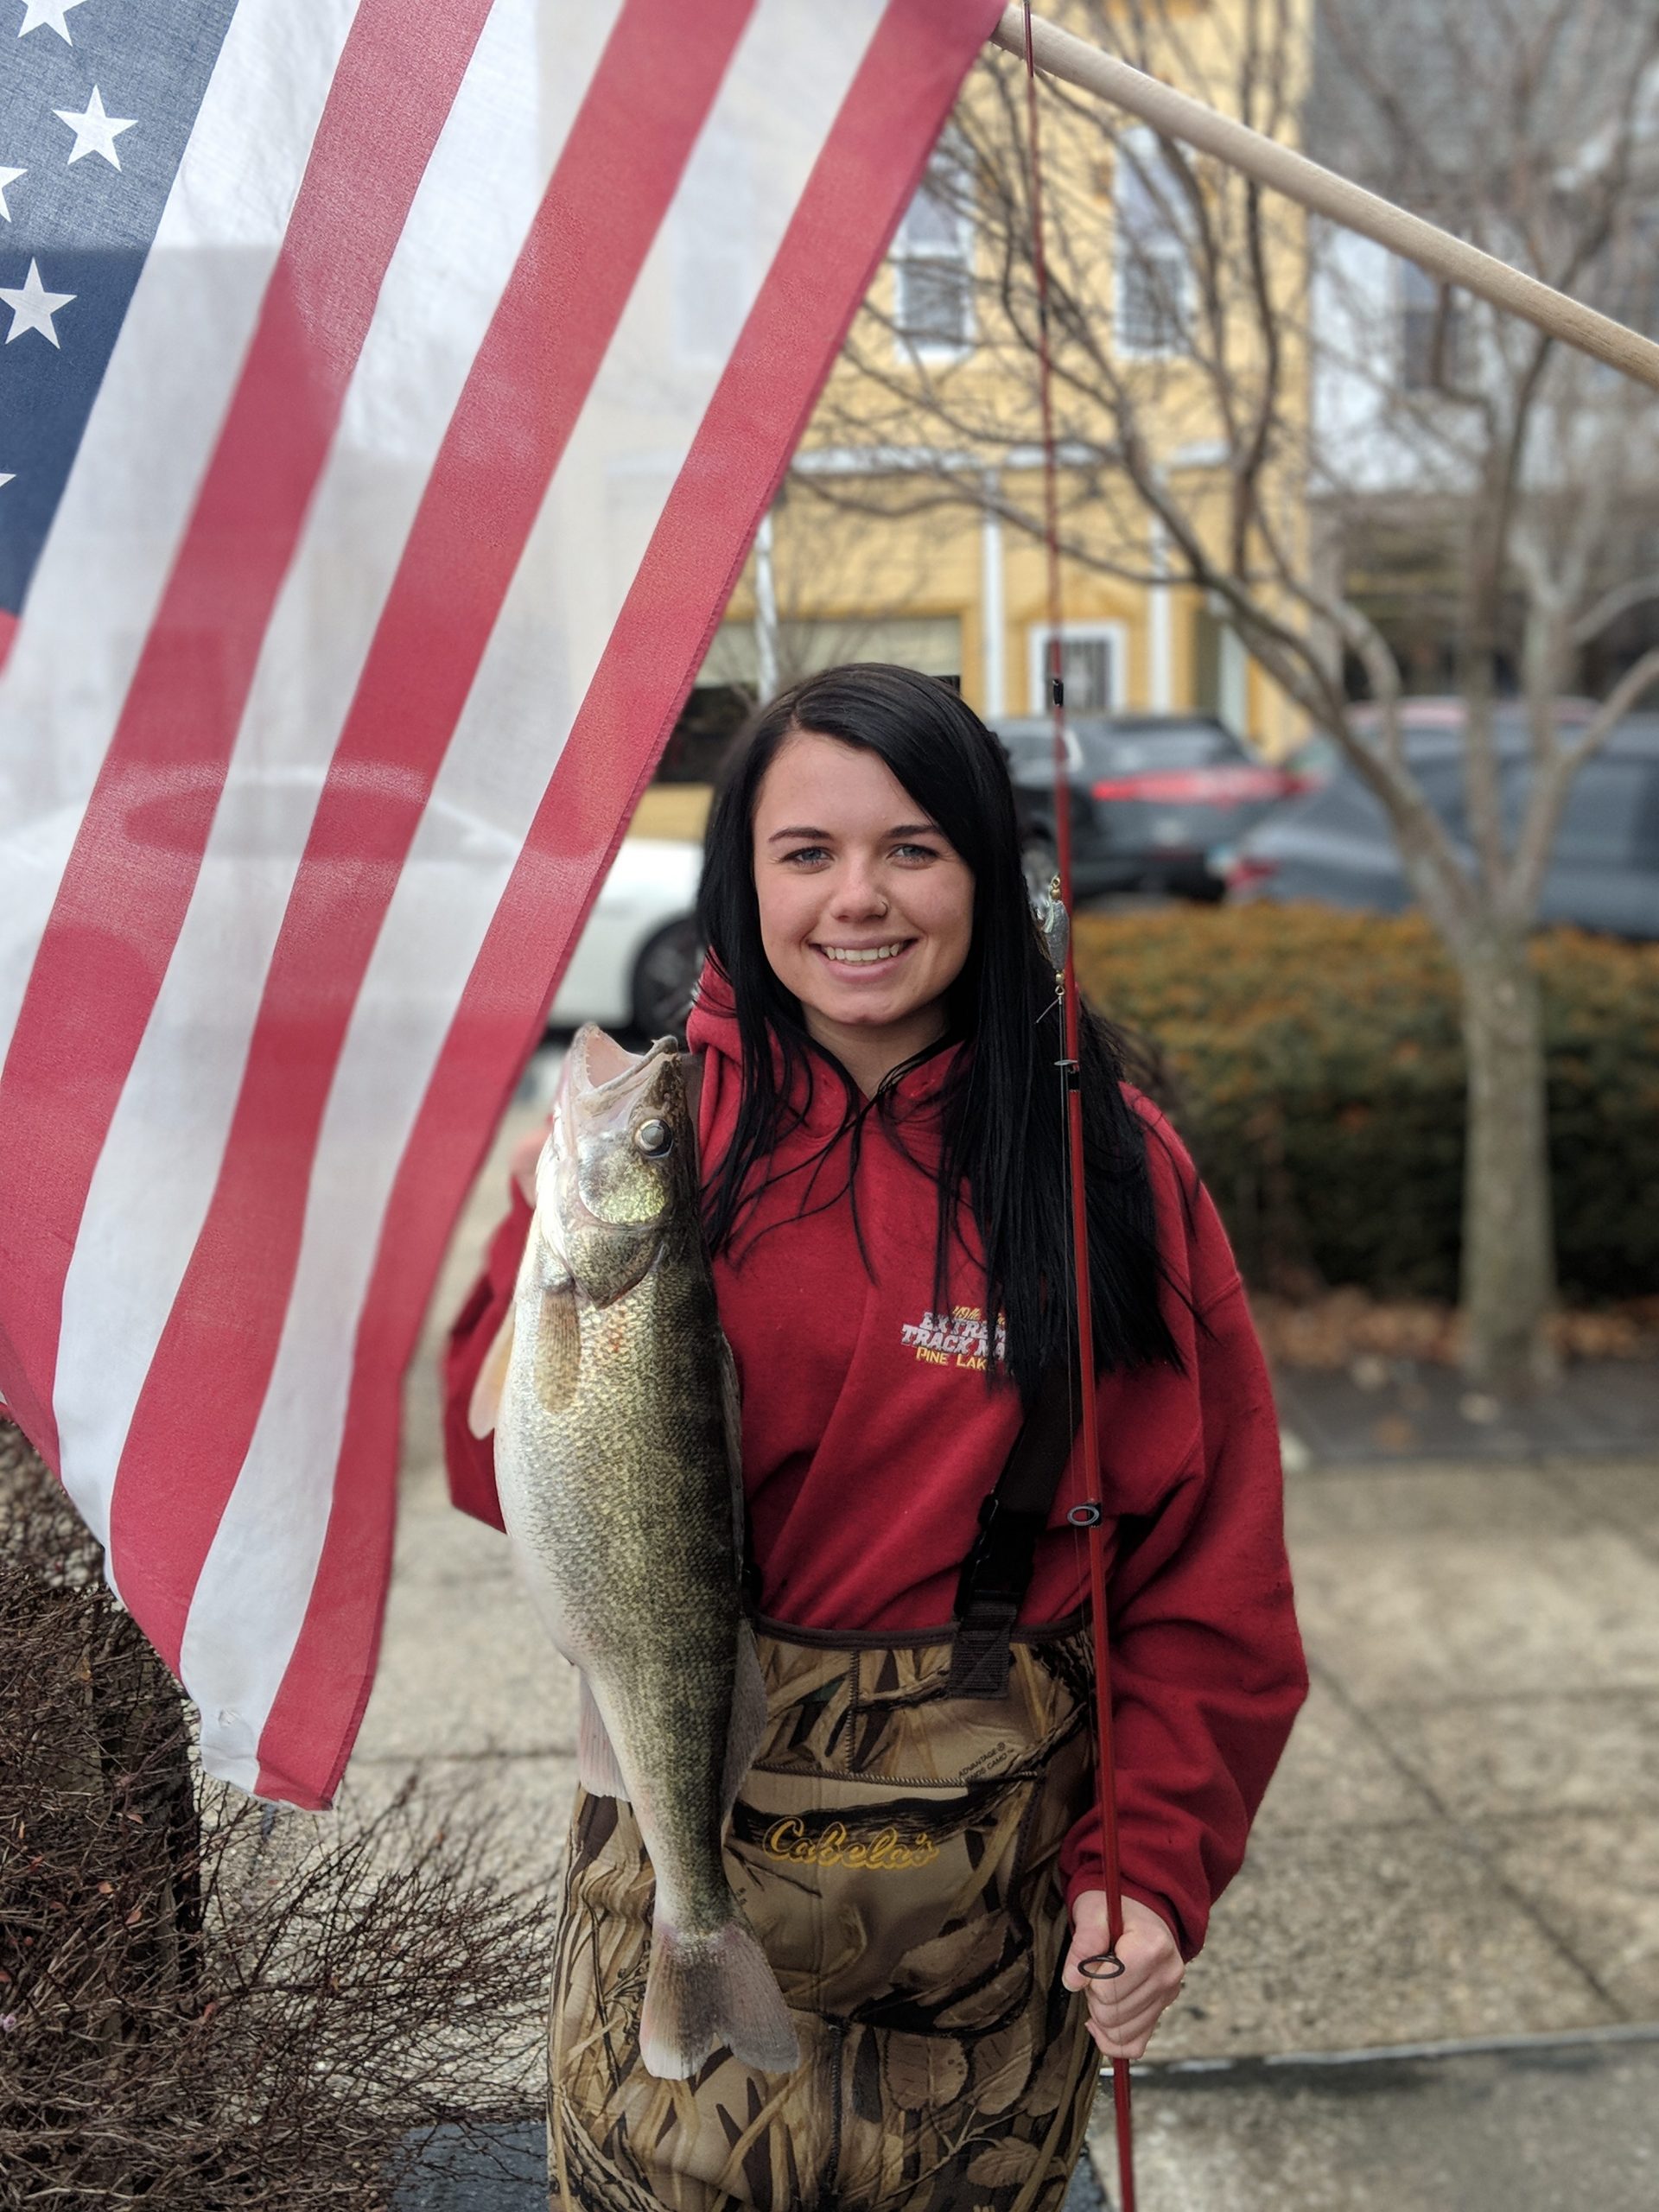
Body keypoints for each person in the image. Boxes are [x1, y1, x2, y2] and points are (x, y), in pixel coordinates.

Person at [443, 664, 1307, 2212]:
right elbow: (485, 1466)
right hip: (674, 1892)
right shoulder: (660, 1133)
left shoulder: (1108, 1162)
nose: (861, 899)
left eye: (915, 848)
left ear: (988, 868)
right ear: (741, 880)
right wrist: (533, 1263)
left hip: (987, 1971)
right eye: (806, 853)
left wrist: (1156, 1868)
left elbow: (1211, 1578)